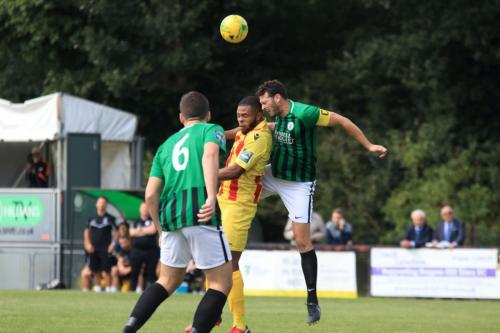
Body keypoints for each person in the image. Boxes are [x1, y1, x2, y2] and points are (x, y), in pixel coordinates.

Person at [256, 80, 387, 324]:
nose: (262, 107)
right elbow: (272, 127)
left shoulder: (306, 113)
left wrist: (368, 145)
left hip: (299, 184)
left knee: (302, 240)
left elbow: (341, 121)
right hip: (275, 174)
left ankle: (312, 300)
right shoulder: (279, 118)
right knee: (233, 188)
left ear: (277, 98)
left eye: (264, 102)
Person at [119, 91, 232, 333]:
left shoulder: (165, 146)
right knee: (221, 283)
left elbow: (150, 195)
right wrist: (211, 196)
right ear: (208, 114)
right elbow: (210, 156)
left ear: (181, 118)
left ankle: (128, 329)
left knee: (167, 281)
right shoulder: (211, 129)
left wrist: (160, 228)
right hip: (199, 211)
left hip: (170, 217)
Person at [215, 96, 272, 333]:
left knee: (229, 264)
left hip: (239, 205)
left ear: (259, 115)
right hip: (222, 199)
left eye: (245, 115)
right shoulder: (245, 130)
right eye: (238, 114)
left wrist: (201, 172)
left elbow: (235, 171)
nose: (240, 119)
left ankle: (240, 326)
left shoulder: (259, 137)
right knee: (214, 262)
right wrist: (210, 133)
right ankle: (212, 315)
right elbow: (231, 132)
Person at [83, 196, 116, 292]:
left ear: (106, 205)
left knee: (106, 269)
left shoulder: (111, 218)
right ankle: (97, 288)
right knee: (95, 269)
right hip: (93, 247)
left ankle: (108, 288)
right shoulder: (91, 218)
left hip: (106, 247)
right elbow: (86, 231)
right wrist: (87, 243)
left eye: (103, 203)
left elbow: (116, 232)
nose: (101, 204)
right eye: (100, 202)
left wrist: (113, 244)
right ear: (96, 204)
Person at [129, 203, 160, 292]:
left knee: (150, 273)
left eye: (146, 208)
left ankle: (148, 292)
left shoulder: (153, 220)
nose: (144, 210)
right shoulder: (135, 221)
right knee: (134, 272)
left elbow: (153, 230)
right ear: (140, 210)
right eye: (143, 208)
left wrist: (139, 230)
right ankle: (132, 290)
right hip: (137, 251)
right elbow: (131, 233)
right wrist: (145, 230)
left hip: (151, 251)